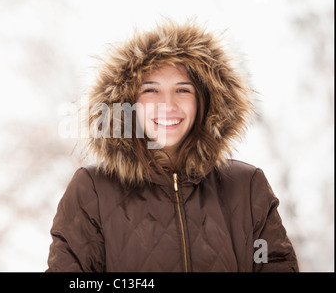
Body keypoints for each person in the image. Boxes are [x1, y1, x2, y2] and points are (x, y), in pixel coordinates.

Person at [46, 19, 299, 272]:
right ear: (128, 104)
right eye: (151, 91)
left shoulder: (246, 187)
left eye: (182, 90)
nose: (167, 105)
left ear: (205, 101)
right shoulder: (92, 191)